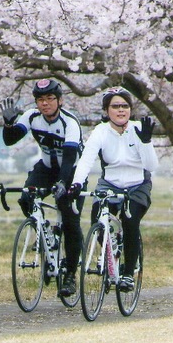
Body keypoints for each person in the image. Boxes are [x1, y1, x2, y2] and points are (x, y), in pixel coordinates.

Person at [0, 78, 85, 296]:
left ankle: (70, 276)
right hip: (45, 168)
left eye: (49, 99)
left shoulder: (70, 123)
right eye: (40, 100)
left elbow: (68, 158)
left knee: (69, 218)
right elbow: (11, 140)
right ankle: (46, 236)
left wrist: (64, 184)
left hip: (71, 170)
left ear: (60, 100)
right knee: (26, 198)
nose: (44, 103)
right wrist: (8, 124)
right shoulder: (32, 116)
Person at [67, 86, 158, 292]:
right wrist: (77, 183)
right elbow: (87, 159)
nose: (120, 110)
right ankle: (111, 252)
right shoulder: (100, 131)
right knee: (96, 221)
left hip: (137, 184)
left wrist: (146, 142)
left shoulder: (137, 129)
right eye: (115, 106)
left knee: (130, 221)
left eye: (125, 106)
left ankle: (127, 274)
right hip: (109, 183)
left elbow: (151, 166)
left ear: (130, 109)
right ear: (106, 110)